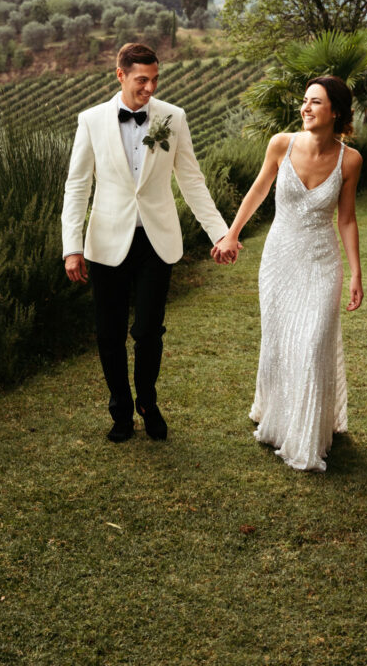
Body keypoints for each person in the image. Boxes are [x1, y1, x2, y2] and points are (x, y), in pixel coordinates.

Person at [62, 42, 231, 443]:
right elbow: (77, 185)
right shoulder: (90, 120)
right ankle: (120, 409)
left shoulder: (174, 117)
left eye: (155, 79)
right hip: (106, 241)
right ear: (120, 75)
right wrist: (71, 245)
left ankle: (147, 403)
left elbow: (192, 180)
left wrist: (220, 232)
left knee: (149, 331)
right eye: (142, 79)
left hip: (157, 241)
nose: (150, 87)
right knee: (108, 332)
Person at [212, 76, 363, 472]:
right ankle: (276, 415)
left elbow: (346, 219)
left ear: (336, 112)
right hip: (280, 259)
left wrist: (355, 273)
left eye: (316, 102)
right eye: (305, 101)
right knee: (281, 343)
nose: (306, 108)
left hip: (321, 262)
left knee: (313, 345)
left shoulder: (350, 160)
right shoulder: (282, 143)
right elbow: (258, 190)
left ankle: (309, 433)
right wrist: (231, 234)